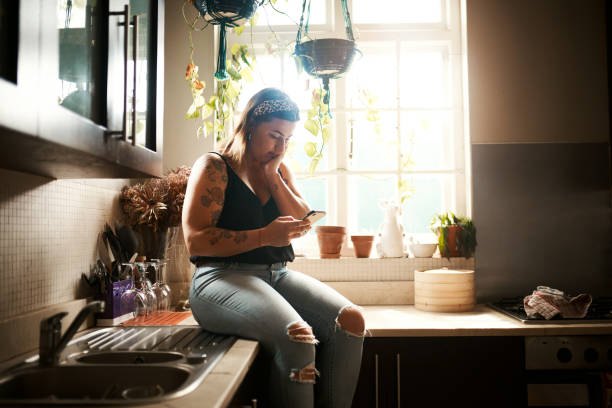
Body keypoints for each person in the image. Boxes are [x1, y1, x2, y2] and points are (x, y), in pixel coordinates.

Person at [182, 87, 365, 408]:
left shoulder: (278, 168)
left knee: (351, 322)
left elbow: (301, 218)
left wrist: (271, 174)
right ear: (250, 127)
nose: (281, 147)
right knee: (298, 338)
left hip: (276, 275)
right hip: (218, 278)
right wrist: (265, 235)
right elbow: (195, 239)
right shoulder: (214, 167)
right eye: (274, 136)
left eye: (288, 139)